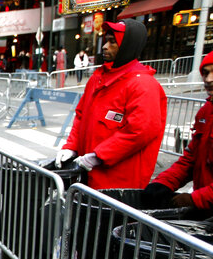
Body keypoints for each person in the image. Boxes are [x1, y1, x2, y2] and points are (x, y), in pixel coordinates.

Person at [56, 19, 166, 189]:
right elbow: (80, 116)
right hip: (89, 174)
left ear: (128, 45)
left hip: (118, 181)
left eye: (112, 42)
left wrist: (99, 156)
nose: (105, 46)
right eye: (106, 40)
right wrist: (71, 146)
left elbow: (140, 131)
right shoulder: (97, 78)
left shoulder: (143, 85)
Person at [142, 50, 213, 215]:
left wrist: (194, 199)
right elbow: (190, 159)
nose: (209, 79)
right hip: (204, 210)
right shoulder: (206, 112)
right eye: (205, 73)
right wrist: (163, 183)